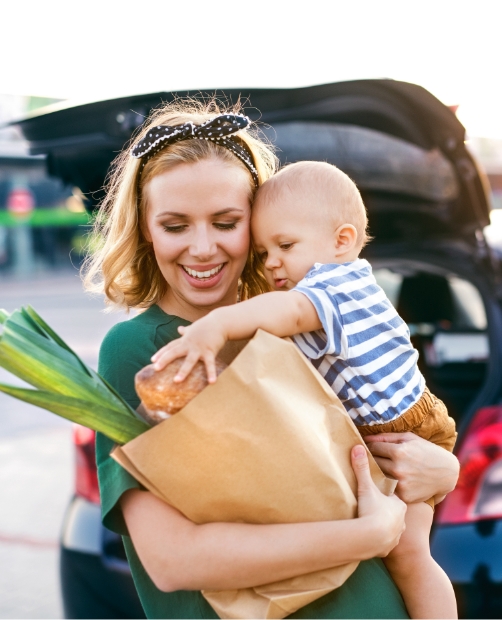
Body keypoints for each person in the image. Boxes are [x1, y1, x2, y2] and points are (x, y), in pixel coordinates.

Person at [84, 100, 460, 619]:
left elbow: (374, 434)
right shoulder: (142, 350)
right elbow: (172, 560)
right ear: (146, 229)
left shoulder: (291, 328)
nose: (202, 248)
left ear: (257, 225)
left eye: (225, 222)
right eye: (175, 225)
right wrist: (367, 534)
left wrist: (444, 469)